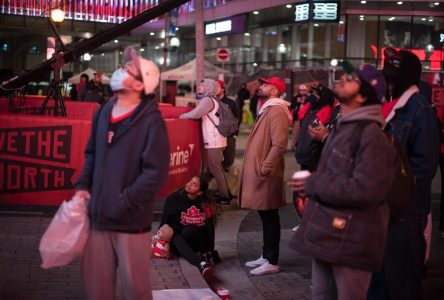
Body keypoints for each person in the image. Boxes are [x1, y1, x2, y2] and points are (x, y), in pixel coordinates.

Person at [289, 63, 398, 299]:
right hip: (328, 235)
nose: (341, 81)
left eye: (351, 80)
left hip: (351, 240)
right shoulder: (346, 127)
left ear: (361, 95)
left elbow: (365, 191)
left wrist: (313, 184)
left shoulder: (372, 135)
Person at [74, 47, 170, 300]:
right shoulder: (104, 111)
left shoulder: (152, 122)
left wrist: (123, 202)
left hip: (131, 222)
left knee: (135, 289)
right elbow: (92, 153)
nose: (119, 71)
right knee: (97, 287)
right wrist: (83, 186)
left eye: (127, 70)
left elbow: (155, 174)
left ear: (140, 85)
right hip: (97, 217)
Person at [367, 48, 440, 300]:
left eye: (391, 79)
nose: (387, 85)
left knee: (399, 285)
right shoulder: (393, 108)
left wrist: (390, 184)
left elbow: (424, 167)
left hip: (404, 216)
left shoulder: (420, 110)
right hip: (382, 213)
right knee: (378, 284)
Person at [239, 76, 289, 276]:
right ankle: (266, 256)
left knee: (269, 217)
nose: (261, 86)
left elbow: (279, 144)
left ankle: (272, 260)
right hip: (263, 172)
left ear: (276, 90)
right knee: (265, 215)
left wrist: (265, 167)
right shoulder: (268, 108)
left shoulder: (276, 110)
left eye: (266, 84)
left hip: (266, 173)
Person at [180, 79, 231, 204]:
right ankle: (224, 193)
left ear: (208, 87)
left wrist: (182, 116)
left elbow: (196, 114)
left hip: (214, 140)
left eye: (202, 85)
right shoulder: (213, 99)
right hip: (218, 139)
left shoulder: (208, 100)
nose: (199, 87)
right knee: (216, 168)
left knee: (215, 168)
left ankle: (225, 197)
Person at [160, 175, 219, 278]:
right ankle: (201, 264)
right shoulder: (173, 199)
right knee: (175, 234)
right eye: (190, 181)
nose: (190, 184)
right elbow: (164, 224)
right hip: (177, 241)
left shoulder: (204, 204)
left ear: (200, 192)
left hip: (197, 240)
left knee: (188, 230)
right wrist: (164, 242)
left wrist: (210, 251)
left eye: (194, 184)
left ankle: (199, 259)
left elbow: (210, 229)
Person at [216, 80, 240, 172]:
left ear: (223, 89)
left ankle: (217, 172)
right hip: (215, 136)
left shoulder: (231, 103)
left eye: (217, 86)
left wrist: (235, 134)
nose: (214, 89)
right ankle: (215, 176)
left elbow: (237, 119)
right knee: (214, 161)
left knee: (229, 160)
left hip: (229, 136)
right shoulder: (211, 102)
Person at [290, 84, 309, 149]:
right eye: (301, 90)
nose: (303, 92)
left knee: (303, 132)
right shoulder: (296, 97)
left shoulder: (309, 97)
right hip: (297, 117)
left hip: (305, 117)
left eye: (304, 90)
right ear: (299, 91)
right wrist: (297, 102)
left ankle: (302, 146)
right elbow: (292, 106)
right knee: (295, 132)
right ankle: (293, 145)